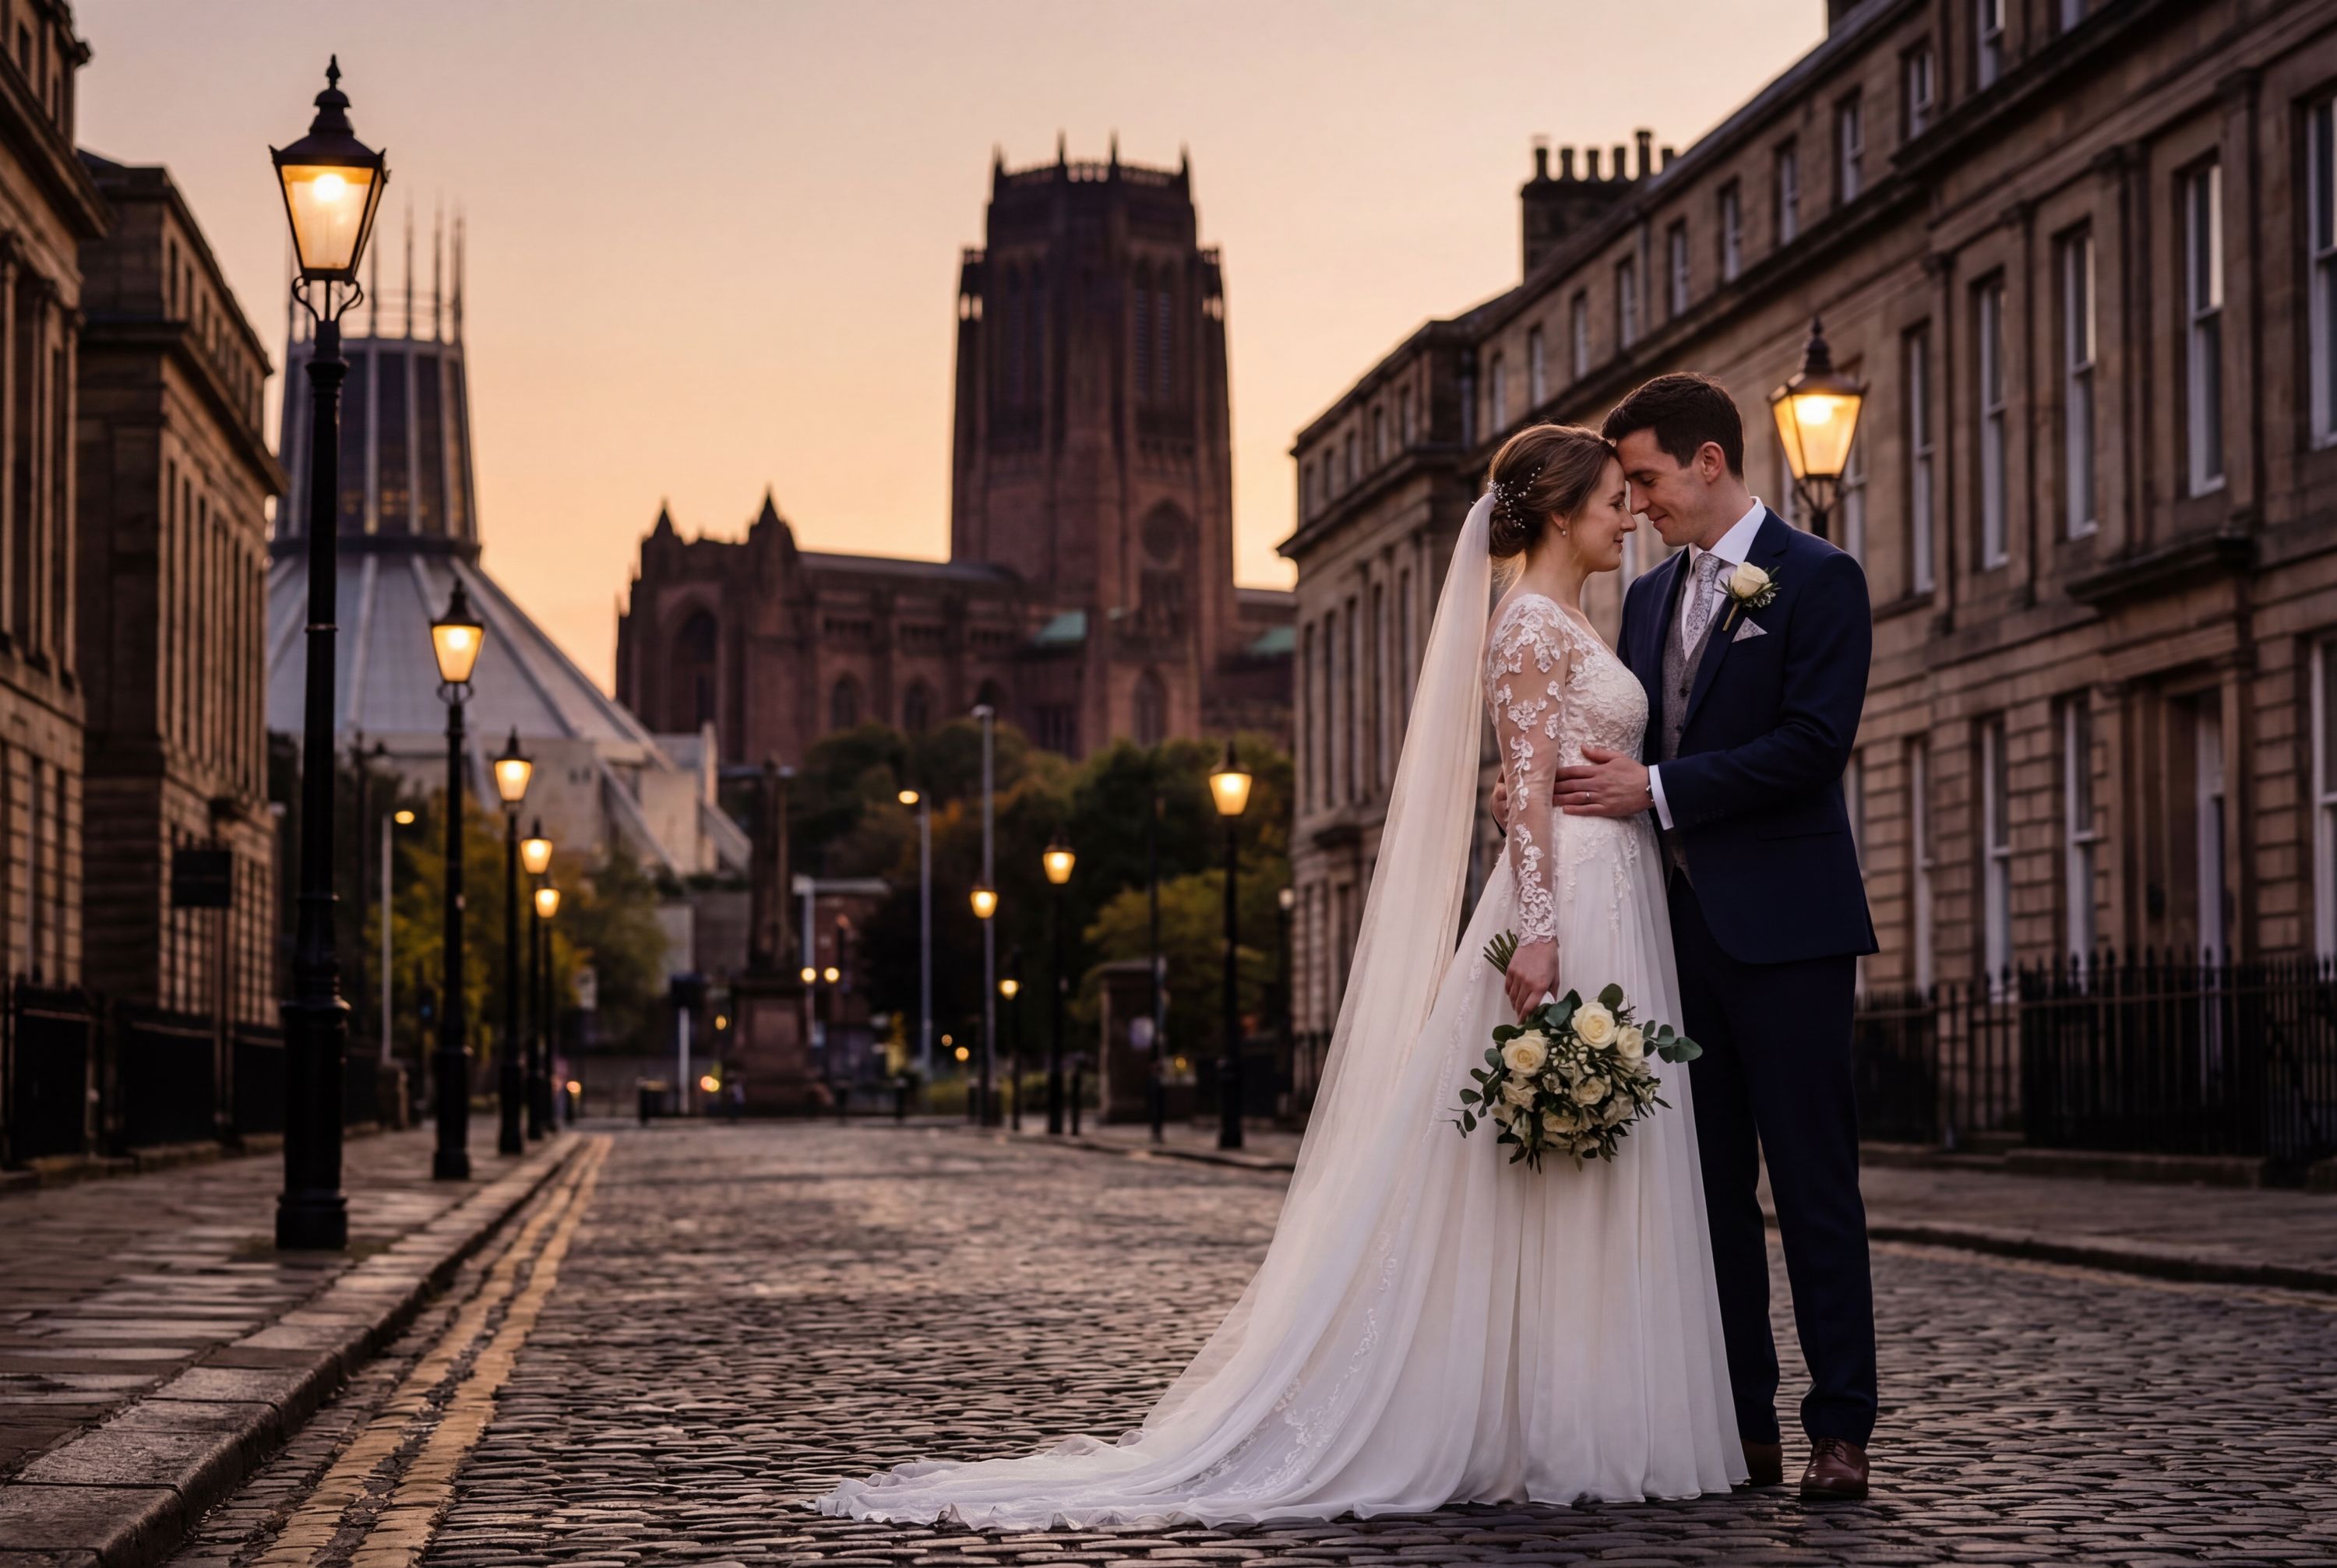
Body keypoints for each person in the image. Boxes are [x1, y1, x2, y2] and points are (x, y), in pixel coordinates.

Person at [812, 424, 1744, 1531]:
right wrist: (1538, 929)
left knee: (1590, 1157)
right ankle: (1549, 1416)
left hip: (1615, 889)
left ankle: (1593, 1407)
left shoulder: (1580, 616)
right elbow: (1526, 792)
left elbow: (1533, 778)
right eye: (1608, 496)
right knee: (1543, 1156)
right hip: (1574, 905)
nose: (1628, 511)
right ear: (1554, 511)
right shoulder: (1531, 625)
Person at [1535, 372, 1879, 1499]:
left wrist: (1658, 790)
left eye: (1645, 478)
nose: (1634, 505)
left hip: (1790, 934)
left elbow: (1810, 745)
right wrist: (1538, 795)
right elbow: (1613, 749)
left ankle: (1840, 1428)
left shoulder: (1822, 579)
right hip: (1672, 938)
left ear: (1710, 463)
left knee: (1815, 1182)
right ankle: (1744, 1423)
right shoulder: (1640, 603)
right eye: (1624, 485)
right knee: (1709, 1191)